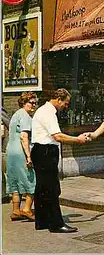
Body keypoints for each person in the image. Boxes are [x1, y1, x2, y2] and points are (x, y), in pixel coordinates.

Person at [31, 88, 88, 233]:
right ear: (58, 100)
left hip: (39, 151)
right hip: (46, 152)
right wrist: (78, 140)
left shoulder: (41, 110)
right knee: (51, 188)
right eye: (66, 103)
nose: (66, 106)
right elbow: (58, 136)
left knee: (42, 188)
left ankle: (42, 221)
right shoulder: (49, 113)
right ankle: (56, 224)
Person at [5, 92, 38, 221]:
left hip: (10, 151)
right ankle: (27, 209)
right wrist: (29, 157)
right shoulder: (25, 116)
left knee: (14, 181)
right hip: (20, 152)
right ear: (24, 102)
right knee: (31, 179)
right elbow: (24, 137)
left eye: (35, 103)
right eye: (31, 102)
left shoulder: (16, 114)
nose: (34, 105)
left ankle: (15, 210)